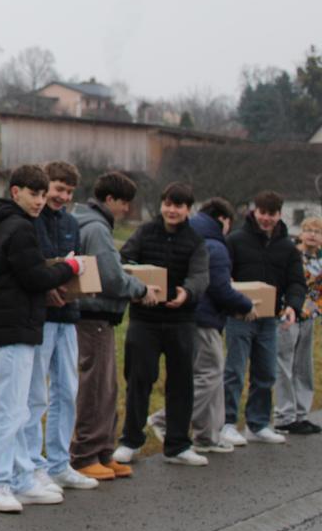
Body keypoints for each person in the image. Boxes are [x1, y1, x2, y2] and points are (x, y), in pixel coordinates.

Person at [0, 164, 84, 513]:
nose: (39, 201)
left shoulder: (9, 226)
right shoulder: (19, 228)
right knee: (7, 409)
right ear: (15, 192)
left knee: (20, 406)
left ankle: (22, 478)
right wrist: (71, 268)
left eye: (42, 194)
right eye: (33, 193)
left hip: (18, 326)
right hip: (12, 327)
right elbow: (35, 277)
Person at [113, 183, 209, 466]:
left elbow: (201, 275)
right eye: (168, 204)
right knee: (139, 379)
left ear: (188, 210)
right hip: (145, 319)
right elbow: (125, 260)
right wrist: (137, 287)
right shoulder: (144, 232)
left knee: (181, 383)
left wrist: (187, 292)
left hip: (182, 320)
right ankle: (130, 440)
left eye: (179, 206)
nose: (172, 210)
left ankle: (178, 444)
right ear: (161, 205)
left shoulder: (196, 241)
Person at [148, 198, 255, 453]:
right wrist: (246, 305)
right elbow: (220, 288)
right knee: (210, 375)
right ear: (223, 219)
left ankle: (207, 435)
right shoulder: (215, 247)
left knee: (210, 377)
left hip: (188, 316)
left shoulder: (187, 237)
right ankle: (167, 419)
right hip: (205, 320)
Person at [70, 172, 157, 481]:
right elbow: (110, 277)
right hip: (93, 316)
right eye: (125, 204)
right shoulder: (96, 229)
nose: (126, 211)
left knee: (107, 386)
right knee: (95, 386)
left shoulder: (90, 223)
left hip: (99, 318)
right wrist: (141, 289)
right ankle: (84, 454)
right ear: (110, 200)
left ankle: (104, 451)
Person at [26, 161, 99, 493]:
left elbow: (77, 264)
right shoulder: (32, 219)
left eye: (68, 191)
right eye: (57, 189)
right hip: (41, 317)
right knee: (35, 395)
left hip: (69, 316)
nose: (61, 196)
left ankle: (59, 463)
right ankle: (33, 463)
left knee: (66, 390)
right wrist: (47, 289)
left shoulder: (72, 223)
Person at [222, 191, 306, 445]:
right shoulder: (235, 240)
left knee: (266, 372)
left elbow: (296, 282)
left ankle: (257, 424)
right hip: (239, 315)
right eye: (262, 213)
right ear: (254, 211)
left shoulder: (288, 247)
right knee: (234, 371)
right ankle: (226, 422)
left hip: (270, 318)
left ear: (279, 215)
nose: (266, 218)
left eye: (272, 214)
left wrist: (293, 306)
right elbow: (224, 273)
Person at [273, 215, 322, 434]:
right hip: (288, 313)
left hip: (309, 316)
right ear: (301, 233)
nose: (312, 235)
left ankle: (302, 413)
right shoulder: (291, 255)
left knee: (304, 365)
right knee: (285, 364)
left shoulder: (320, 259)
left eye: (317, 232)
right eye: (309, 230)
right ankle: (285, 414)